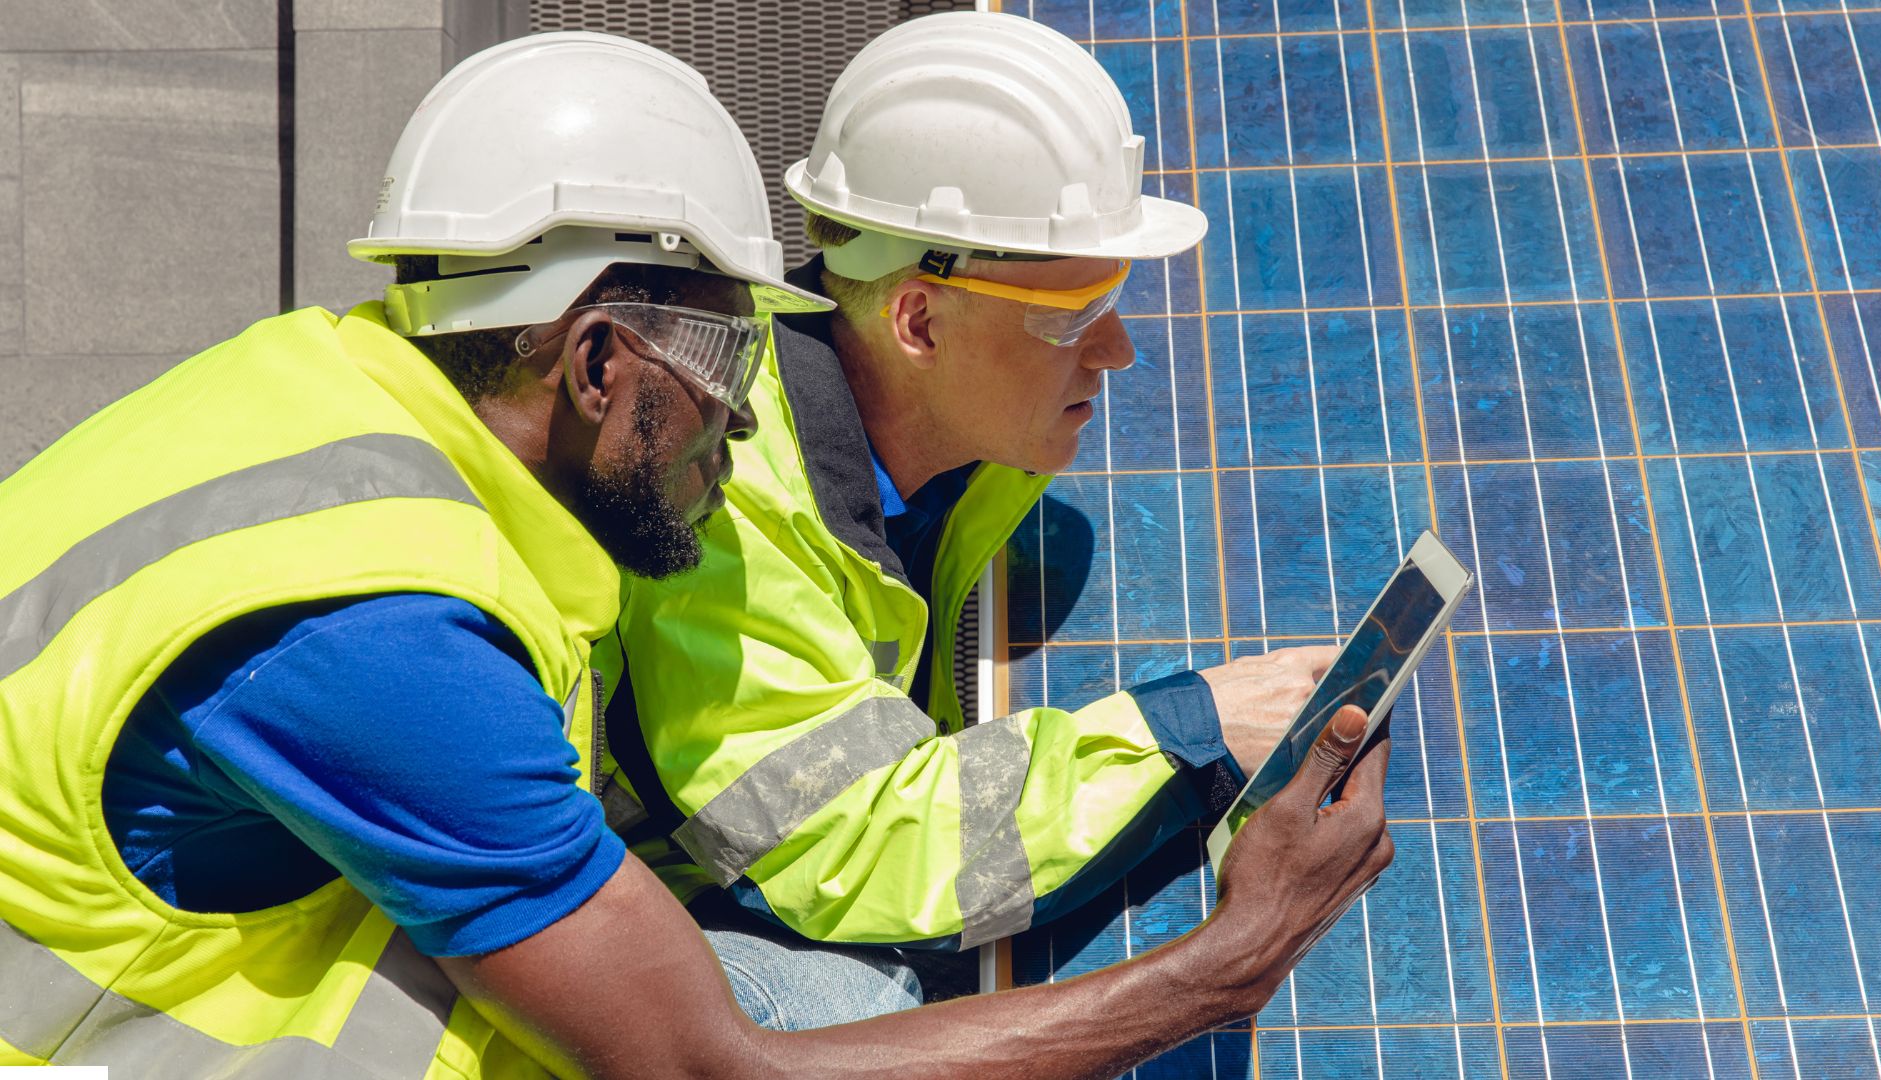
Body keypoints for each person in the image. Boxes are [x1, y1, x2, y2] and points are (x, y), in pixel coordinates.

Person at [0, 30, 1393, 1078]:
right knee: (834, 1016)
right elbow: (707, 1066)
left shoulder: (333, 391)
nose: (750, 403)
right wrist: (1228, 964)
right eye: (732, 351)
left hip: (214, 919)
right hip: (94, 1041)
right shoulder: (378, 641)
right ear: (600, 360)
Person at [606, 9, 1352, 1024]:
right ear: (917, 319)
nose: (1119, 350)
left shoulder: (953, 437)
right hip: (657, 926)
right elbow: (842, 852)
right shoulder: (723, 510)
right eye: (1074, 313)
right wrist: (1183, 730)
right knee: (862, 1011)